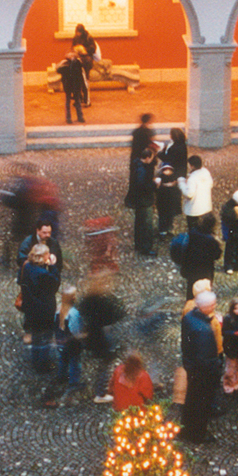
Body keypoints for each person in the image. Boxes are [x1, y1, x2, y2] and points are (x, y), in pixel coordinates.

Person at [178, 290, 224, 443]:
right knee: (201, 404)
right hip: (202, 373)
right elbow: (207, 360)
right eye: (213, 304)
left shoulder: (189, 317)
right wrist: (217, 368)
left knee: (191, 400)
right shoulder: (204, 330)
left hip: (191, 365)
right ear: (208, 307)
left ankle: (186, 430)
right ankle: (198, 435)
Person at [80, 268, 126, 403]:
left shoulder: (88, 299)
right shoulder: (103, 300)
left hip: (94, 336)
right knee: (105, 364)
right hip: (102, 337)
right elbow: (116, 315)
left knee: (103, 364)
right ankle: (100, 393)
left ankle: (101, 389)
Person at [18, 241, 60, 374]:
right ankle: (42, 365)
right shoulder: (43, 274)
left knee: (36, 336)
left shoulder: (27, 266)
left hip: (30, 309)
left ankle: (35, 360)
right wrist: (52, 266)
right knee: (46, 338)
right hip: (44, 311)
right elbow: (55, 284)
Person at [44, 284, 85, 406]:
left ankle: (61, 376)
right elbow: (76, 331)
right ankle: (73, 382)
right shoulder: (73, 313)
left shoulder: (58, 309)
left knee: (63, 359)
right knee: (74, 362)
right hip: (72, 344)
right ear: (73, 298)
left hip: (60, 342)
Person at [169, 214, 223, 299]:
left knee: (191, 289)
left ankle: (190, 304)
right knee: (204, 291)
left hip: (191, 266)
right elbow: (217, 255)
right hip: (205, 270)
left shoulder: (193, 232)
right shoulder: (211, 240)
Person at [126, 141, 159, 257]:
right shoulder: (142, 170)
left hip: (138, 200)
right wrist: (155, 184)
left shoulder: (137, 165)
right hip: (145, 201)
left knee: (139, 223)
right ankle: (146, 248)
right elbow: (144, 187)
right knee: (146, 225)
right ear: (147, 158)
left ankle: (139, 244)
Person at [219, 189, 238, 275]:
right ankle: (228, 265)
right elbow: (227, 220)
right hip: (231, 231)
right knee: (230, 248)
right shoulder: (228, 209)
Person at [178, 154, 214, 226]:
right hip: (206, 207)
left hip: (194, 210)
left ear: (192, 166)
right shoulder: (206, 172)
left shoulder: (192, 178)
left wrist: (181, 184)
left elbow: (189, 194)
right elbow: (211, 184)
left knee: (194, 229)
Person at [57, 49, 88, 124]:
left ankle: (80, 117)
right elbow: (58, 69)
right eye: (69, 54)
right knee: (68, 102)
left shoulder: (78, 63)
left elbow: (81, 74)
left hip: (76, 85)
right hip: (68, 85)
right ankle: (68, 118)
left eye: (72, 54)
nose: (71, 56)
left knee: (78, 101)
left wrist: (82, 85)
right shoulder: (64, 63)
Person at [153, 158, 180, 240]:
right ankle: (162, 231)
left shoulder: (174, 179)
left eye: (169, 170)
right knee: (163, 216)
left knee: (170, 216)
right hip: (162, 201)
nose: (167, 172)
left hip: (171, 201)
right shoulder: (160, 179)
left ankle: (168, 229)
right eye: (165, 170)